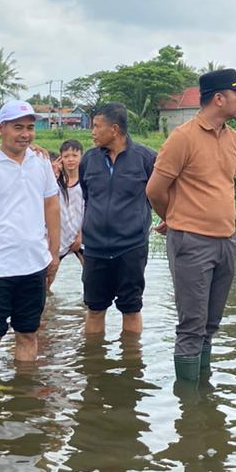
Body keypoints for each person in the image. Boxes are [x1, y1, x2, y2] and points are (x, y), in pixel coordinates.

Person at [146, 67, 236, 382]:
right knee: (191, 325)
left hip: (225, 241)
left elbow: (222, 186)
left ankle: (203, 393)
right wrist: (173, 218)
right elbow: (154, 190)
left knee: (210, 324)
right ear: (219, 99)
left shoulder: (235, 139)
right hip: (191, 241)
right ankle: (189, 407)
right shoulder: (183, 138)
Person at [0, 100, 61, 370]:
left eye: (30, 128)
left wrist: (53, 253)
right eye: (18, 127)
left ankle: (24, 401)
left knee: (29, 333)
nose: (25, 134)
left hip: (33, 264)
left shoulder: (40, 162)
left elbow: (51, 205)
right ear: (0, 128)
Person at [79, 104, 156, 337]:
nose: (92, 131)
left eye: (96, 126)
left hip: (131, 247)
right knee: (94, 309)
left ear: (114, 129)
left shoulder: (146, 158)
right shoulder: (88, 160)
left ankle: (130, 367)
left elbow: (160, 193)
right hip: (94, 248)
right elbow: (86, 195)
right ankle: (94, 365)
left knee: (131, 308)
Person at [46, 138, 85, 291]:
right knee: (47, 279)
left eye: (74, 156)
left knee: (91, 278)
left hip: (80, 236)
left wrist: (81, 235)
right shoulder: (54, 183)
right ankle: (48, 311)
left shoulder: (85, 182)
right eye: (66, 156)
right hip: (59, 237)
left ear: (81, 157)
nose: (70, 160)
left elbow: (88, 209)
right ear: (61, 158)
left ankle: (86, 311)